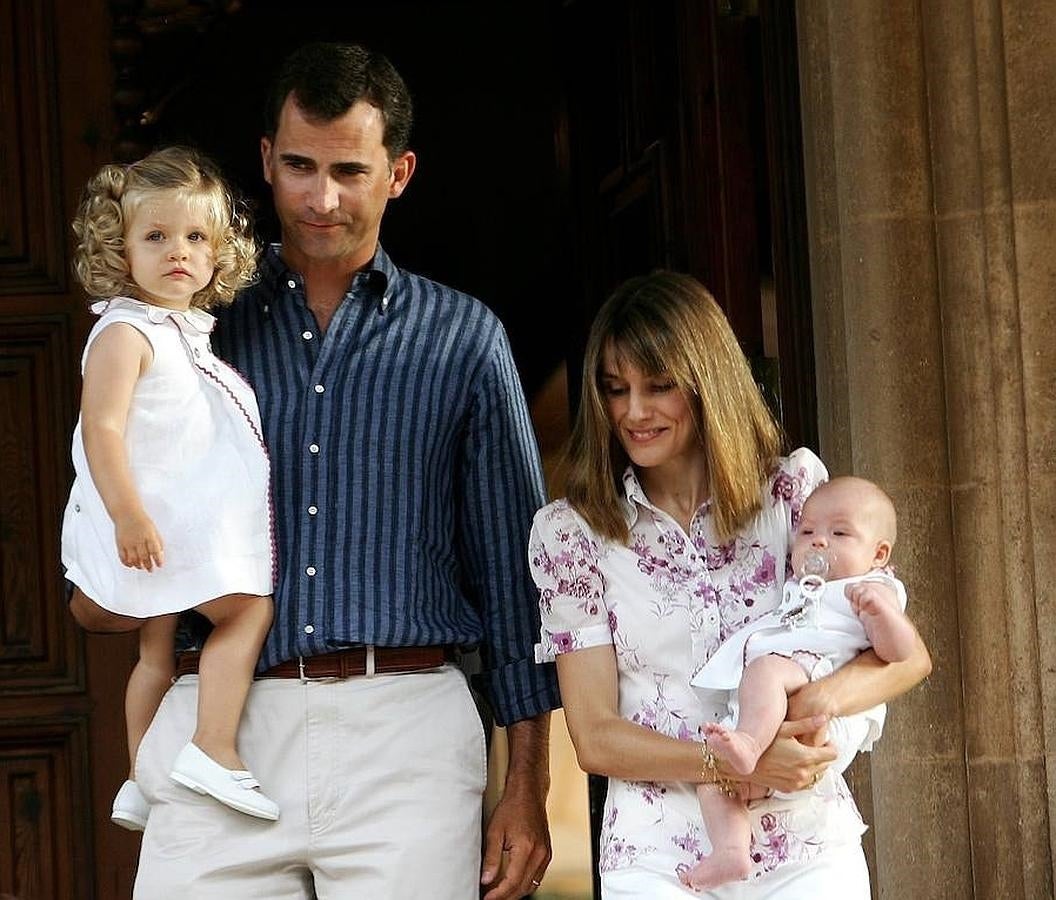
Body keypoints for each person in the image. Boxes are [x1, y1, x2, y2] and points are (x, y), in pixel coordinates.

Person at [125, 43, 559, 900]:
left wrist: (527, 785)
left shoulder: (464, 340)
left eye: (349, 171)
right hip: (222, 724)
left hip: (406, 732)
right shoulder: (192, 332)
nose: (321, 198)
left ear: (398, 173)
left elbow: (517, 579)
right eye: (298, 167)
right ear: (264, 160)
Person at [529, 271, 932, 898]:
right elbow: (595, 735)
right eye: (616, 389)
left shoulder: (794, 494)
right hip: (657, 855)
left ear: (707, 383)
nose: (634, 412)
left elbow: (902, 660)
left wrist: (813, 706)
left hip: (805, 845)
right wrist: (730, 758)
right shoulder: (571, 534)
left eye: (659, 386)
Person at [61, 146, 278, 828]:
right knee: (247, 611)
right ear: (120, 249)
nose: (177, 252)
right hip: (151, 525)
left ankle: (137, 780)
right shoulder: (127, 331)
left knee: (156, 648)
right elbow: (102, 429)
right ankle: (212, 747)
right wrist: (127, 517)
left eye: (194, 238)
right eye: (155, 237)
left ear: (218, 253)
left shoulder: (184, 333)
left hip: (168, 525)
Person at [683, 475, 918, 890]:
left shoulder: (876, 588)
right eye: (807, 531)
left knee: (765, 671)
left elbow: (901, 654)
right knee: (712, 780)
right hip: (783, 688)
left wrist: (882, 615)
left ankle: (750, 747)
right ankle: (732, 852)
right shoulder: (803, 586)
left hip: (822, 672)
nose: (819, 542)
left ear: (879, 553)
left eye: (840, 533)